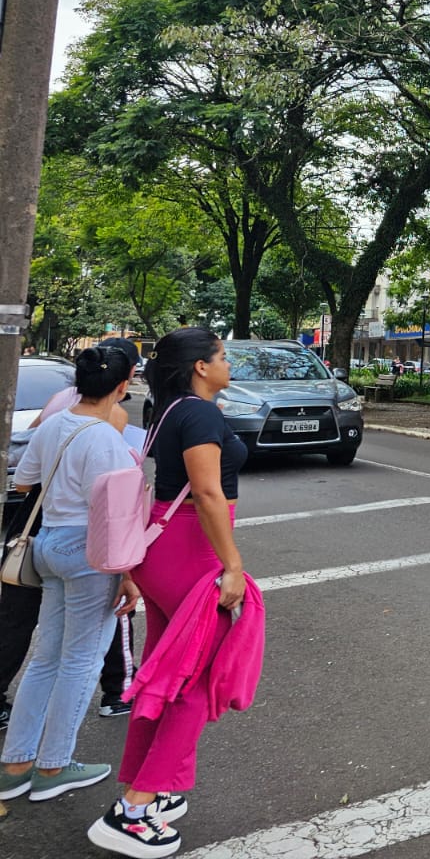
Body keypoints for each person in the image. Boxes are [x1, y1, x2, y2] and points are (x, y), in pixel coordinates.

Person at [89, 327, 263, 858]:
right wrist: (233, 565)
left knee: (164, 675)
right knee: (193, 682)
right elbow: (207, 493)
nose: (229, 363)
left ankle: (148, 786)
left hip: (161, 552)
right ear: (201, 367)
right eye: (223, 356)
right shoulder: (200, 414)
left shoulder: (168, 410)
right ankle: (133, 809)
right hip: (192, 553)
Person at [0, 345, 142, 805]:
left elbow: (25, 481)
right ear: (123, 386)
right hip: (88, 552)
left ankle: (15, 764)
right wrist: (127, 574)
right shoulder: (107, 439)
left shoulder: (54, 424)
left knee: (46, 658)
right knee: (82, 660)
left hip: (48, 544)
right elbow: (114, 513)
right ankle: (54, 765)